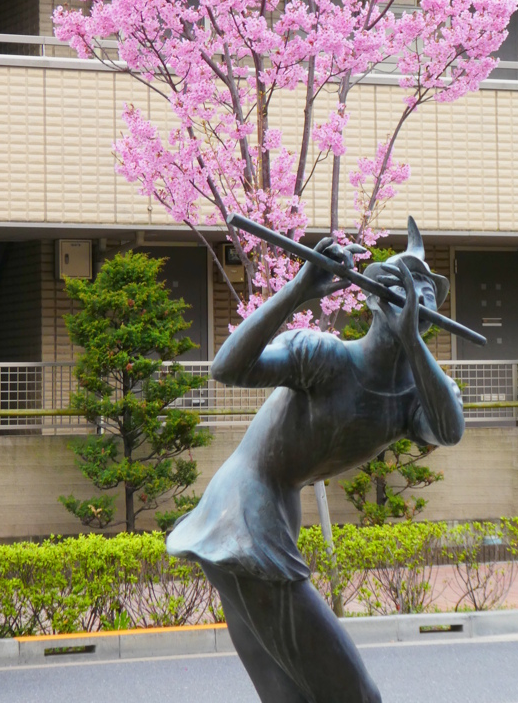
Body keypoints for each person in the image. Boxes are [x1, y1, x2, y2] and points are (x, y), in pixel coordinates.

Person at [166, 218, 464, 703]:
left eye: (428, 295)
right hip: (245, 515)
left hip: (277, 511)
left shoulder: (414, 397)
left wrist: (413, 342)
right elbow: (228, 368)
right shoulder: (324, 357)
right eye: (405, 289)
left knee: (287, 695)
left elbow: (449, 429)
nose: (419, 300)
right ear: (371, 298)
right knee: (356, 696)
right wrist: (299, 288)